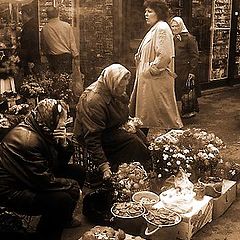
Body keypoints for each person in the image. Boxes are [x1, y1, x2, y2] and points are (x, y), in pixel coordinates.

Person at [0, 99, 85, 240]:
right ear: (52, 119)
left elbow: (57, 163)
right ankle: (46, 235)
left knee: (78, 172)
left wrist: (63, 144)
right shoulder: (28, 140)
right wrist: (72, 186)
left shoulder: (42, 128)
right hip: (13, 189)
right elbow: (43, 181)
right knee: (62, 199)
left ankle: (64, 219)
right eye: (63, 119)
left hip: (30, 176)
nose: (65, 124)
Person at [73, 63, 151, 182]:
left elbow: (121, 114)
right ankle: (138, 170)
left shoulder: (114, 91)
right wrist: (104, 166)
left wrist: (130, 122)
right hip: (94, 136)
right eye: (121, 87)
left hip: (110, 128)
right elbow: (92, 137)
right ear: (113, 82)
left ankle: (146, 164)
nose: (124, 90)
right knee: (133, 142)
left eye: (125, 86)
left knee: (141, 137)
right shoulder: (94, 100)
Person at [129, 0, 183, 137]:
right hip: (150, 81)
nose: (146, 14)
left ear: (158, 12)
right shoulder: (155, 28)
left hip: (155, 81)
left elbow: (164, 56)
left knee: (164, 116)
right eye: (145, 11)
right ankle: (142, 146)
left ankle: (178, 148)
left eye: (150, 11)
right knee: (145, 117)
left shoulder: (162, 28)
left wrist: (150, 70)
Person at [170, 16, 200, 117]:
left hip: (185, 69)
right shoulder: (172, 38)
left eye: (176, 26)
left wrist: (192, 71)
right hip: (175, 68)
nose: (174, 28)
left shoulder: (189, 38)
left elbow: (194, 56)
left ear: (181, 26)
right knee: (177, 90)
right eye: (172, 26)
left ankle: (188, 111)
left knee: (186, 90)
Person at [41, 6, 79, 74]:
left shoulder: (45, 29)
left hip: (53, 59)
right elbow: (72, 43)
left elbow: (44, 46)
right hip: (66, 58)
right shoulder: (67, 26)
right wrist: (75, 56)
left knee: (55, 80)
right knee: (66, 80)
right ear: (57, 13)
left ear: (47, 15)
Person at [18, 4, 41, 76]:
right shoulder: (32, 24)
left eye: (22, 14)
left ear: (25, 14)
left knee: (31, 78)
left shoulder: (29, 27)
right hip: (32, 58)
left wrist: (30, 60)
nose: (21, 16)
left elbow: (30, 44)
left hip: (30, 59)